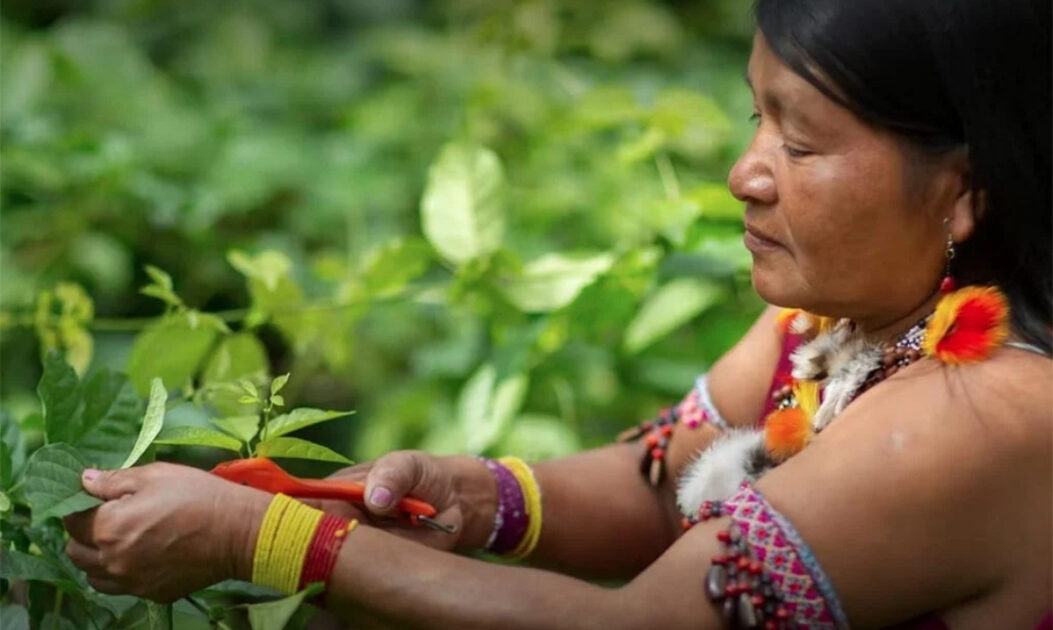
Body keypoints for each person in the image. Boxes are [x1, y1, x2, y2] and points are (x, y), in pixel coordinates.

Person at [63, 0, 1051, 628]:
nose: (743, 173)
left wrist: (261, 540)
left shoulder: (975, 415)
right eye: (757, 116)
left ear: (962, 188)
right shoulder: (852, 322)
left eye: (800, 141)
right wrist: (468, 495)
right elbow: (655, 485)